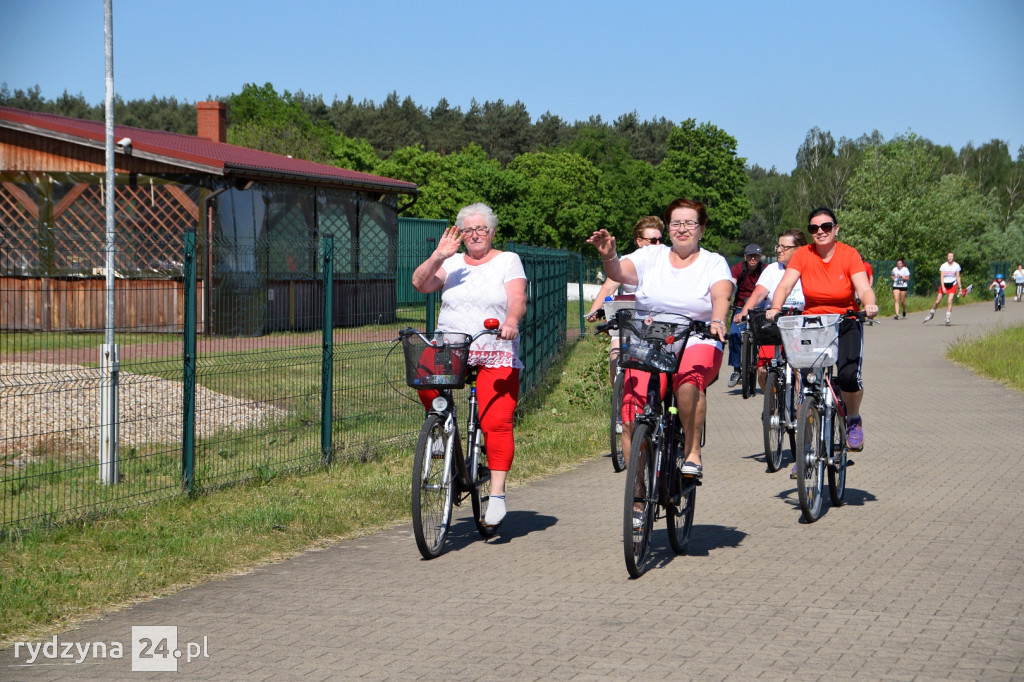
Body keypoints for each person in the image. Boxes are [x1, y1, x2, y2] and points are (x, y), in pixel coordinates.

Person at [587, 198, 732, 502]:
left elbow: (721, 293)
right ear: (668, 228)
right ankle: (638, 492)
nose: (682, 229)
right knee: (630, 416)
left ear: (701, 229)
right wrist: (609, 255)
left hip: (697, 335)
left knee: (689, 384)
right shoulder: (650, 255)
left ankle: (692, 451)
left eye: (689, 223)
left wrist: (718, 319)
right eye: (676, 223)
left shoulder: (713, 261)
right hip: (651, 335)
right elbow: (621, 272)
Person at [411, 202, 527, 527]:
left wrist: (512, 321)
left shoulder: (507, 261)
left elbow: (517, 298)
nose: (476, 235)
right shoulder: (454, 264)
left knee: (497, 420)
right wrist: (438, 255)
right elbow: (419, 283)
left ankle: (499, 495)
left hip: (494, 347)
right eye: (469, 230)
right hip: (453, 346)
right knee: (422, 372)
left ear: (492, 232)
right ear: (462, 234)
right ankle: (440, 425)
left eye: (482, 229)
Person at [766, 207, 877, 452]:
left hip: (845, 320)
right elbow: (784, 286)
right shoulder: (803, 255)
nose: (820, 232)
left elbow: (863, 287)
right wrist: (775, 307)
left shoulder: (848, 254)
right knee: (805, 384)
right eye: (814, 228)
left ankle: (853, 420)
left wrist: (868, 303)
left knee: (848, 376)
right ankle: (805, 452)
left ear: (836, 229)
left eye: (826, 226)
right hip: (813, 324)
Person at [586, 216, 664, 384]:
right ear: (639, 241)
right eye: (653, 240)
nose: (658, 245)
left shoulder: (668, 262)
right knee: (617, 354)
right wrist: (594, 310)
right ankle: (619, 394)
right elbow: (609, 287)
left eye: (660, 240)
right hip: (630, 322)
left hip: (657, 323)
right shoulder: (629, 262)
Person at [733, 228, 807, 390]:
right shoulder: (773, 269)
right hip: (773, 322)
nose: (779, 250)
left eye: (784, 247)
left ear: (799, 249)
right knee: (763, 371)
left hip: (799, 324)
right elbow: (759, 294)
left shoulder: (809, 268)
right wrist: (744, 313)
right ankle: (771, 409)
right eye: (778, 246)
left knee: (799, 371)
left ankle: (801, 411)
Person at [727, 243, 766, 387]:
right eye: (750, 256)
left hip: (759, 308)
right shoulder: (738, 268)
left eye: (756, 256)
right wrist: (727, 295)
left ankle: (762, 363)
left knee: (763, 336)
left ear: (760, 257)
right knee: (734, 335)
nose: (753, 259)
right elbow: (732, 285)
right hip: (740, 307)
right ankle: (737, 369)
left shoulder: (765, 269)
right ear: (745, 257)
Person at [923, 252, 962, 326]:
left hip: (953, 284)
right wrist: (943, 287)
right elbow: (941, 277)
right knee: (937, 301)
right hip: (944, 284)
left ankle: (948, 317)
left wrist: (960, 287)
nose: (950, 257)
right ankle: (932, 313)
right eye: (949, 256)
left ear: (953, 257)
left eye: (951, 256)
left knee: (949, 301)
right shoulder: (943, 266)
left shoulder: (956, 266)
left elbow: (958, 277)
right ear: (947, 257)